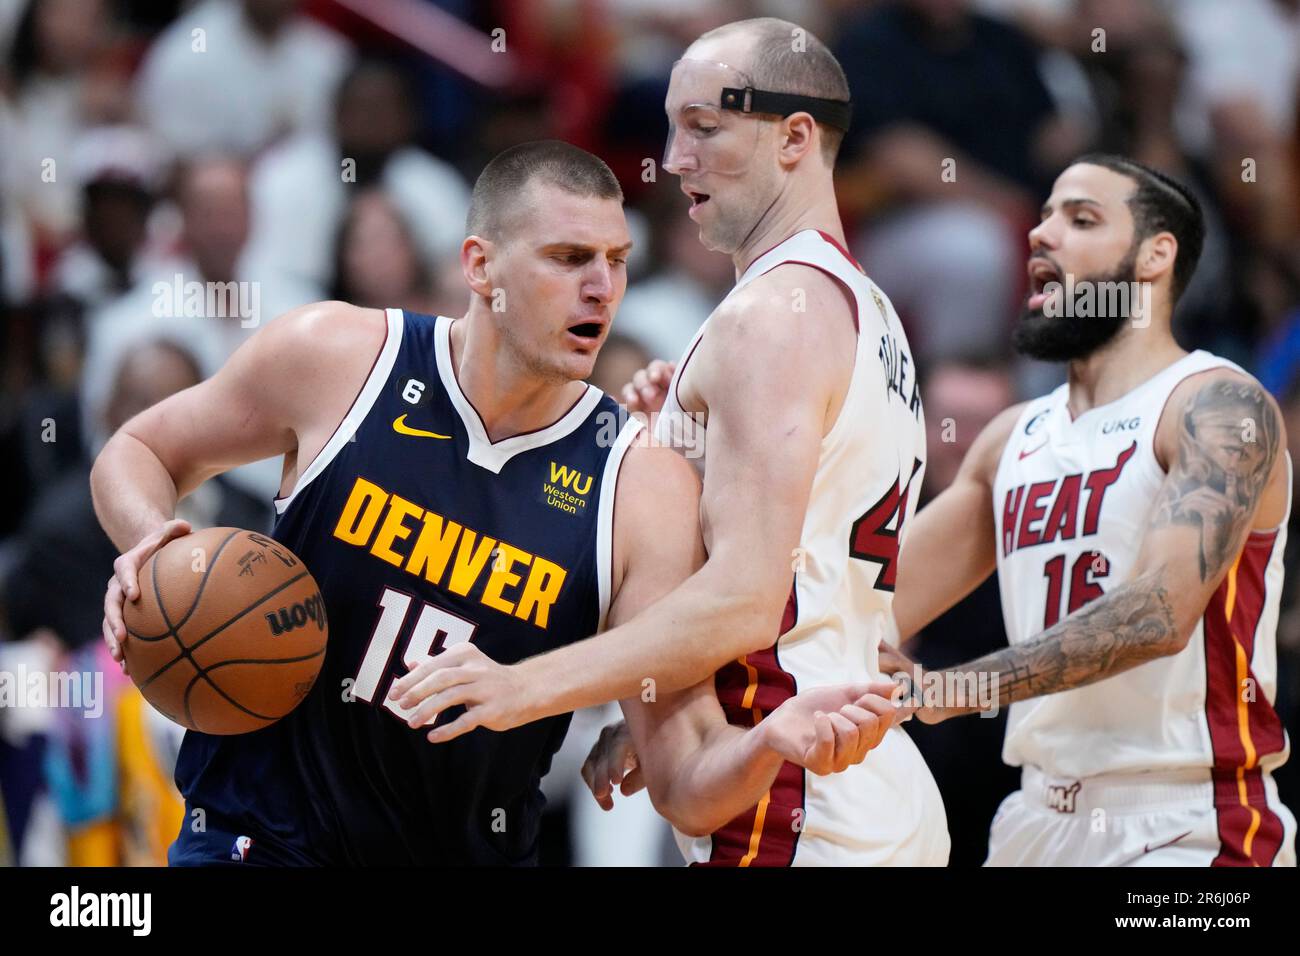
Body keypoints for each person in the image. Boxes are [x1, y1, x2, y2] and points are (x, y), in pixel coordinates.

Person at [94, 140, 895, 866]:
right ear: (480, 266)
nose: (601, 287)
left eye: (617, 260)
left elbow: (684, 776)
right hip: (256, 837)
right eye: (569, 257)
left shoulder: (642, 484)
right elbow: (138, 451)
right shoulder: (336, 356)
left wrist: (770, 746)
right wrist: (151, 545)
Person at [390, 19, 949, 866]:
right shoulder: (864, 308)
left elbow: (745, 600)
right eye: (671, 125)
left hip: (793, 792)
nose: (673, 157)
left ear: (795, 137)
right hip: (849, 775)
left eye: (705, 128)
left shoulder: (772, 316)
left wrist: (521, 687)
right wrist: (653, 709)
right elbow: (803, 566)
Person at [884, 155, 1296, 866]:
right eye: (1043, 217)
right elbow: (867, 603)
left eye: (1081, 219)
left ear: (1154, 256)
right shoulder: (1011, 438)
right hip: (1034, 818)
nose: (1044, 235)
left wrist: (959, 686)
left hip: (1187, 822)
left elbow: (1158, 614)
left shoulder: (1216, 404)